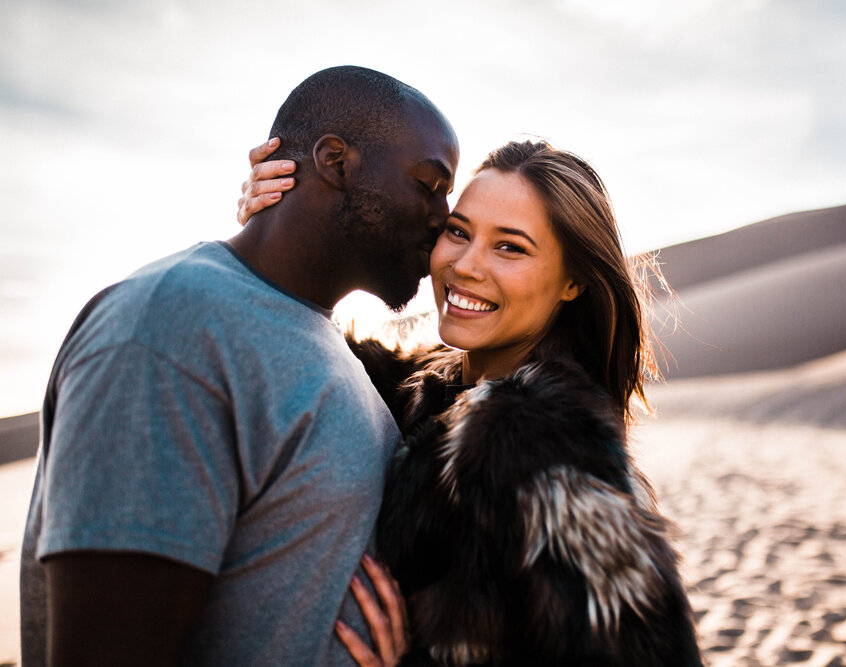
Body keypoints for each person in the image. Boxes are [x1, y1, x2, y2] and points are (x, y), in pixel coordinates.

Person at [19, 65, 459, 666]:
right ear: (335, 161)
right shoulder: (169, 329)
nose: (444, 216)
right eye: (429, 184)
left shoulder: (318, 338)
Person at [242, 140, 703, 666]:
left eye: (510, 247)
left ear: (573, 281)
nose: (465, 265)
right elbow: (283, 349)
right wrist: (282, 224)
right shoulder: (419, 389)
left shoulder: (548, 451)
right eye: (457, 233)